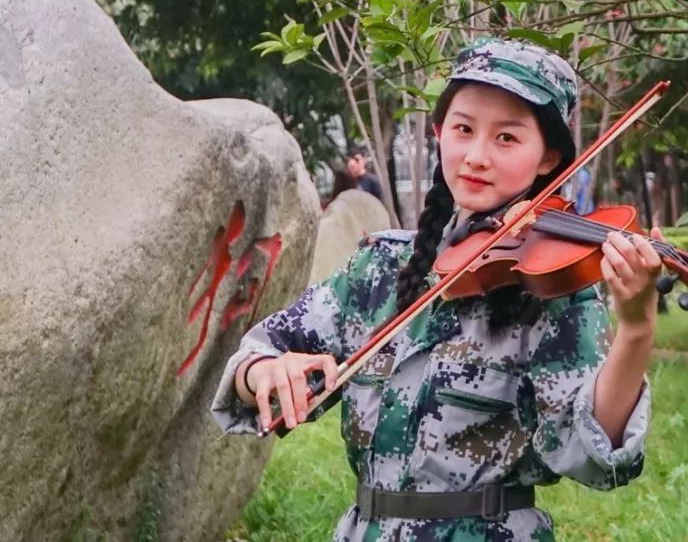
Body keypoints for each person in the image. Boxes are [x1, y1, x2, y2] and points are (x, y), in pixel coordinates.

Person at [211, 38, 664, 541]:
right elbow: (257, 357)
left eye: (507, 139)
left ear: (548, 158)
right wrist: (266, 371)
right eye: (463, 129)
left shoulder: (554, 289)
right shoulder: (380, 265)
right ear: (438, 132)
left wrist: (637, 329)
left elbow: (592, 455)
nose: (476, 156)